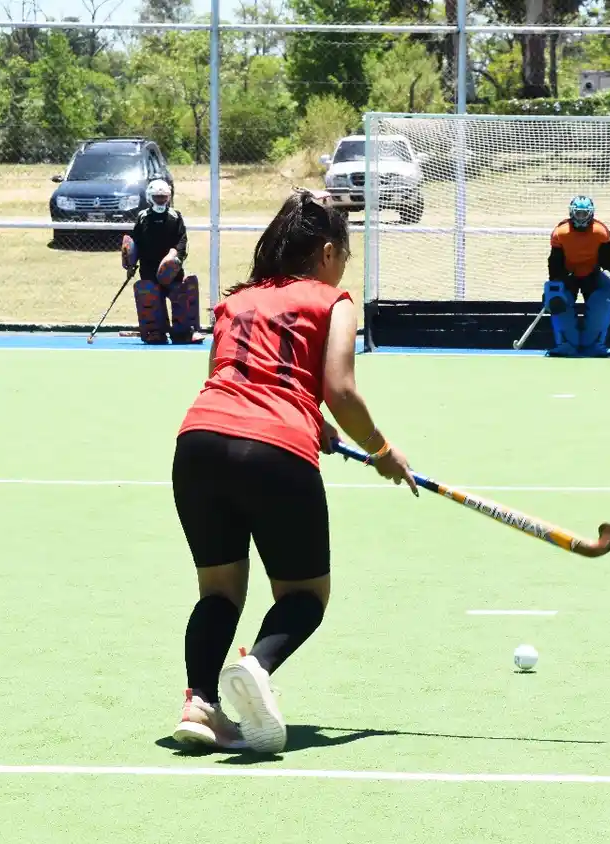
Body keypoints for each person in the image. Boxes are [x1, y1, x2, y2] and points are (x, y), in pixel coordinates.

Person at [170, 188, 418, 754]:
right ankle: (256, 668)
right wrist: (381, 449)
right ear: (328, 252)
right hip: (274, 450)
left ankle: (200, 703)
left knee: (219, 591)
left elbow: (234, 376)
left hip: (199, 442)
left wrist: (316, 422)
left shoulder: (238, 301)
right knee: (305, 595)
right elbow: (339, 388)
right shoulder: (334, 300)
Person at [543, 195, 610, 358]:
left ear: (591, 214)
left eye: (584, 214)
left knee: (602, 302)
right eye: (578, 214)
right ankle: (565, 345)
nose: (581, 217)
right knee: (557, 298)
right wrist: (555, 285)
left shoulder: (600, 232)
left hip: (592, 274)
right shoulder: (561, 233)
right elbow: (554, 260)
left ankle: (595, 345)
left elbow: (607, 259)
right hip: (568, 275)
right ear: (572, 213)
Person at [122, 179, 200, 345]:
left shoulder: (175, 216)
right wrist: (130, 262)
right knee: (152, 300)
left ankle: (183, 334)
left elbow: (182, 241)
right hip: (148, 269)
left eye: (163, 197)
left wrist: (174, 256)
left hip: (172, 271)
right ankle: (156, 333)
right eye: (157, 197)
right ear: (150, 197)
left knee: (180, 295)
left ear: (169, 197)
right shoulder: (142, 217)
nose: (160, 200)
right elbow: (135, 241)